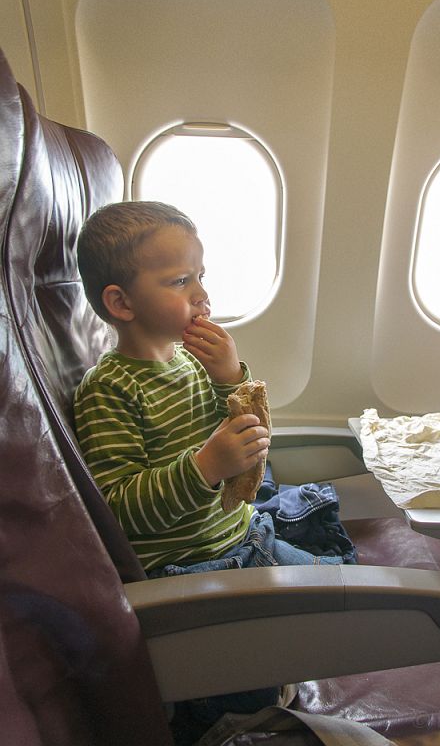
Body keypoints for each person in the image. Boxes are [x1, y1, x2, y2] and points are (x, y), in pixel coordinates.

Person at [73, 201, 343, 739]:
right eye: (180, 281)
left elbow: (244, 432)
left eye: (201, 276)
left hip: (242, 537)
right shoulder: (110, 390)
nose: (201, 294)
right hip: (191, 568)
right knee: (252, 688)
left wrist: (230, 377)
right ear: (121, 302)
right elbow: (120, 509)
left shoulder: (190, 359)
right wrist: (203, 468)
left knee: (341, 584)